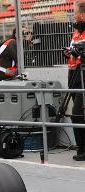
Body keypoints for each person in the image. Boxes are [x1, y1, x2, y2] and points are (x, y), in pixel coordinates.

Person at [0, 27, 33, 120]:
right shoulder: (12, 43)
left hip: (1, 80)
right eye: (24, 33)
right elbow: (21, 61)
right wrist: (27, 43)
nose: (27, 35)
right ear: (17, 35)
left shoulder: (18, 45)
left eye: (29, 32)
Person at [63, 0, 85, 161]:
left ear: (82, 14)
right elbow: (74, 52)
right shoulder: (76, 31)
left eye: (75, 12)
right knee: (76, 114)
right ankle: (81, 148)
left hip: (83, 74)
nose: (73, 15)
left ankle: (83, 149)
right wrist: (69, 53)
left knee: (78, 114)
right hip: (73, 74)